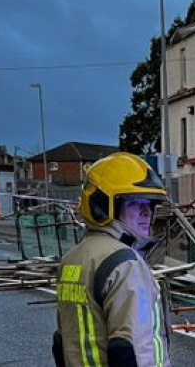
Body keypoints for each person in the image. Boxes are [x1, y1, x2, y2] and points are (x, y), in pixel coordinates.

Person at [52, 152, 171, 367]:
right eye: (135, 203)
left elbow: (61, 343)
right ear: (103, 206)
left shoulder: (72, 260)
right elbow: (129, 350)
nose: (147, 213)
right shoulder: (125, 264)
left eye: (150, 204)